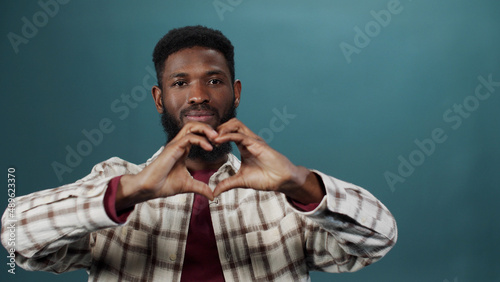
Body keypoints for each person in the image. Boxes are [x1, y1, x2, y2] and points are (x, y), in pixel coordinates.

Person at [1, 25, 397, 281]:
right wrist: (131, 191)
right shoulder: (118, 181)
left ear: (235, 92)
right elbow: (15, 235)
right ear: (160, 99)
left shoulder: (283, 194)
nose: (198, 95)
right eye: (179, 82)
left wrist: (299, 182)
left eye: (214, 80)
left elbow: (379, 238)